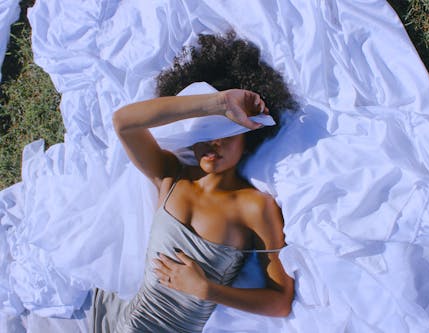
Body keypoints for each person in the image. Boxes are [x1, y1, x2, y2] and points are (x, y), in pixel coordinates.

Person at [89, 33, 297, 332]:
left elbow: (281, 302)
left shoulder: (254, 206)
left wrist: (206, 290)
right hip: (118, 323)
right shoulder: (171, 176)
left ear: (248, 139)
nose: (213, 143)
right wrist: (218, 102)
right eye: (204, 131)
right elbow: (124, 122)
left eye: (225, 132)